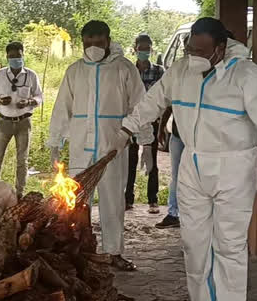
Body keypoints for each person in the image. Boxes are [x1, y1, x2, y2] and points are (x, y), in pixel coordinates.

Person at [120, 18, 257, 301]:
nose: (192, 54)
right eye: (189, 48)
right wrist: (128, 127)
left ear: (220, 49)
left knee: (228, 242)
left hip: (234, 166)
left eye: (199, 50)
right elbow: (154, 100)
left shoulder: (246, 75)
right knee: (194, 242)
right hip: (193, 165)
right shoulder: (182, 70)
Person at [48, 20, 152, 272]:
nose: (93, 47)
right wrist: (55, 142)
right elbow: (63, 108)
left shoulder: (124, 69)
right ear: (82, 42)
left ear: (108, 40)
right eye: (88, 43)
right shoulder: (75, 71)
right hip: (81, 146)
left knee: (112, 200)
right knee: (75, 201)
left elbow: (140, 107)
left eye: (99, 42)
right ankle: (76, 251)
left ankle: (113, 252)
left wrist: (146, 141)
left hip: (111, 146)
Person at [0, 41, 43, 198]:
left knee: (22, 161)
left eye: (18, 56)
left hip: (23, 122)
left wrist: (29, 102)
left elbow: (39, 96)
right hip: (4, 122)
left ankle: (19, 193)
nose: (15, 59)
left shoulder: (31, 75)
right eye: (12, 57)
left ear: (23, 55)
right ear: (7, 57)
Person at [125, 34, 163, 214]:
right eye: (141, 49)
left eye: (147, 49)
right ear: (135, 49)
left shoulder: (159, 71)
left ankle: (153, 200)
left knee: (152, 160)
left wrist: (159, 121)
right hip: (132, 122)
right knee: (130, 160)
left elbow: (163, 98)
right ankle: (128, 199)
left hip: (152, 121)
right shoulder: (128, 71)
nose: (144, 52)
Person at [155, 107, 183, 229]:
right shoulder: (179, 88)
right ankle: (173, 214)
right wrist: (161, 128)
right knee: (176, 177)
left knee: (197, 177)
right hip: (178, 136)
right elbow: (170, 107)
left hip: (197, 138)